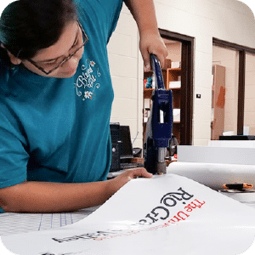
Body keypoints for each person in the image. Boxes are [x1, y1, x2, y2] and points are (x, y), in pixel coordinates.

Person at [0, 0, 168, 213]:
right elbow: (10, 195)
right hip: (30, 218)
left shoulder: (80, 14)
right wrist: (106, 190)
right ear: (15, 56)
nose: (72, 65)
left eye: (75, 45)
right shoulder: (6, 98)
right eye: (52, 62)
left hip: (90, 209)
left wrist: (150, 30)